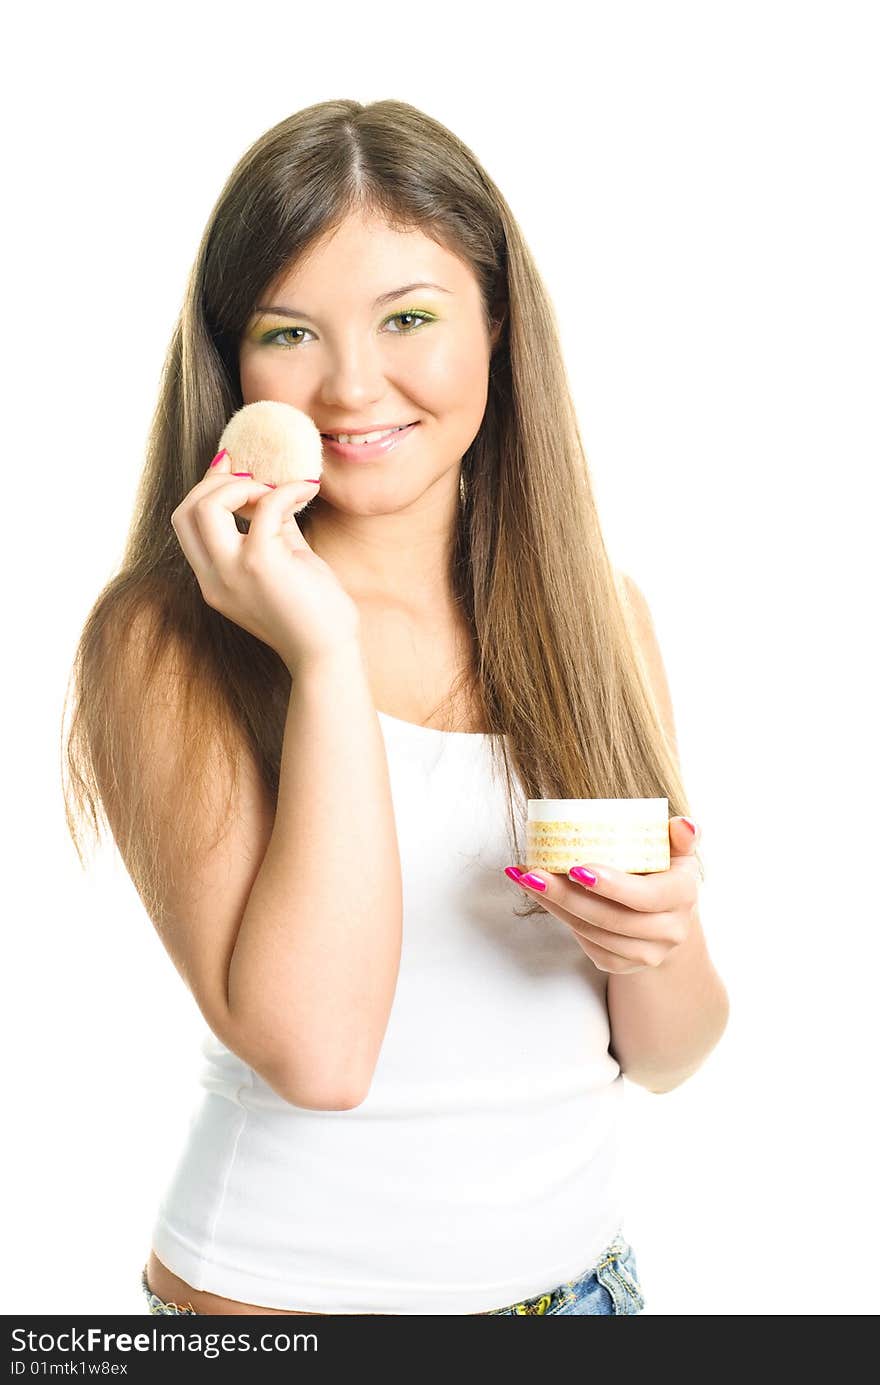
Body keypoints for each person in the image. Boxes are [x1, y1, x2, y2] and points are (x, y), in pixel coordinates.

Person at [61, 99, 729, 1317]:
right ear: (233, 364)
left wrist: (661, 934)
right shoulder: (163, 639)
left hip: (586, 1293)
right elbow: (318, 1055)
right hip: (281, 1313)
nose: (350, 385)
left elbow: (666, 1056)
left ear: (498, 327)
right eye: (289, 332)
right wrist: (323, 659)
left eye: (409, 316)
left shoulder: (599, 616)